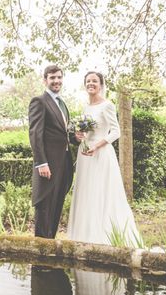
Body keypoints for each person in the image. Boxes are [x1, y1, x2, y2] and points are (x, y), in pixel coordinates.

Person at [67, 71, 140, 246]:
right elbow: (85, 132)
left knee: (101, 192)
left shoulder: (107, 105)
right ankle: (85, 236)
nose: (91, 83)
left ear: (101, 84)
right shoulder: (85, 107)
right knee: (87, 192)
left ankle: (104, 236)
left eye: (94, 81)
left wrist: (97, 145)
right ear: (85, 85)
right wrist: (79, 135)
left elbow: (116, 132)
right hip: (85, 155)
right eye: (88, 81)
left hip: (101, 154)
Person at [28, 64, 75, 239]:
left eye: (59, 77)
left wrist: (76, 137)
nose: (56, 81)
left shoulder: (62, 103)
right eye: (52, 78)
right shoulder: (39, 101)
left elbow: (63, 134)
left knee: (57, 204)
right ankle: (41, 248)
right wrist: (41, 162)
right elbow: (35, 134)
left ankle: (51, 244)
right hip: (47, 164)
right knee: (45, 204)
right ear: (45, 80)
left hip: (63, 162)